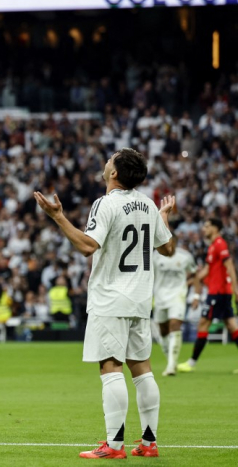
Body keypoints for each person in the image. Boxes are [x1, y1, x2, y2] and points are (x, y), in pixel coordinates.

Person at [34, 148, 175, 459]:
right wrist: (163, 218)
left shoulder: (106, 203)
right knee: (142, 369)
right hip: (140, 298)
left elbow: (87, 246)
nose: (106, 161)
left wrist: (57, 216)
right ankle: (149, 443)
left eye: (110, 159)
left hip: (111, 298)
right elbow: (168, 249)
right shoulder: (149, 204)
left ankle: (113, 446)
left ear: (114, 173)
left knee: (110, 367)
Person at [177, 217, 238, 373]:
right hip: (219, 292)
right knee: (232, 326)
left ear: (216, 228)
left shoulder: (219, 244)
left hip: (218, 292)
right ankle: (191, 362)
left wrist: (236, 289)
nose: (204, 229)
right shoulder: (212, 246)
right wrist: (191, 281)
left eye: (207, 226)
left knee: (203, 323)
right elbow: (207, 271)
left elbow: (230, 265)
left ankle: (191, 362)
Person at [152, 236, 196, 376]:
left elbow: (194, 275)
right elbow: (148, 275)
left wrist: (196, 296)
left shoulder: (185, 257)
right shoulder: (155, 256)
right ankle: (171, 361)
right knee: (163, 331)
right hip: (159, 297)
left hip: (177, 296)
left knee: (175, 326)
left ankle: (171, 366)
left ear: (176, 243)